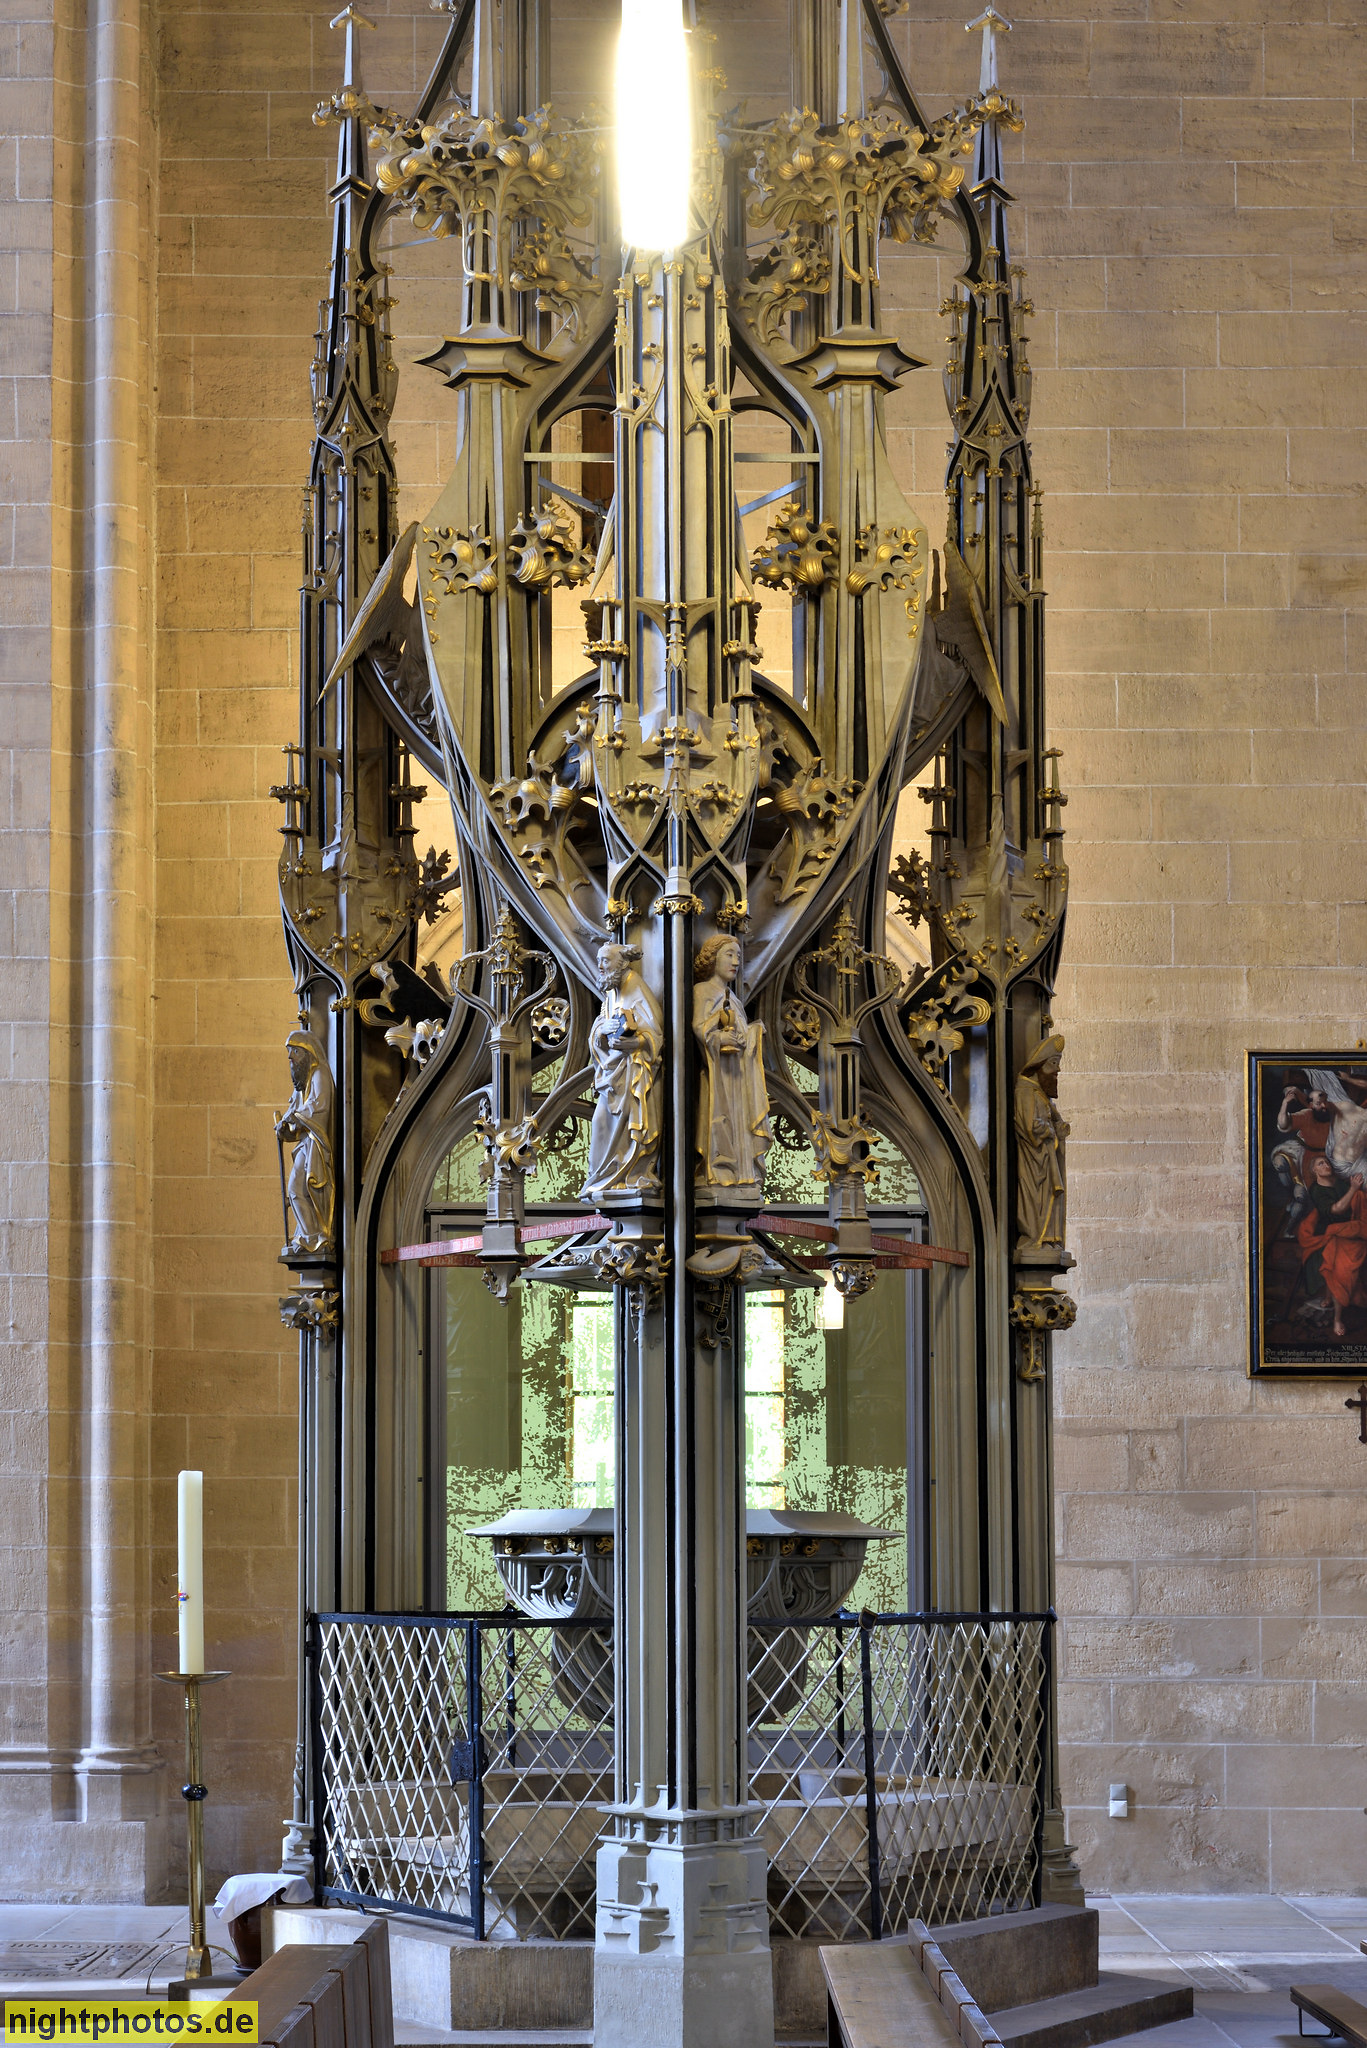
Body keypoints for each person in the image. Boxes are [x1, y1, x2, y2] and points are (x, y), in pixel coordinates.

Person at [580, 941, 663, 1204]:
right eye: (599, 960)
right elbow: (600, 1029)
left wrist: (637, 1042)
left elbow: (656, 1034)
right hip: (613, 1078)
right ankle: (605, 1178)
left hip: (633, 1075)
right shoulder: (612, 993)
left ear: (623, 963)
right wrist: (600, 1032)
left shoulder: (635, 987)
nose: (600, 966)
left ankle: (632, 1175)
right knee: (600, 1123)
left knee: (623, 1127)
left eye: (605, 960)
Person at [693, 934, 772, 1191]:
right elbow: (699, 1028)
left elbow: (738, 1031)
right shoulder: (702, 990)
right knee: (721, 1121)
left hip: (736, 1073)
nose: (735, 962)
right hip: (718, 1073)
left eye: (738, 956)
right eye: (729, 955)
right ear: (712, 959)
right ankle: (720, 1171)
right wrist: (718, 1036)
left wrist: (752, 1033)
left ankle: (741, 1172)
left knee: (738, 1121)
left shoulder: (733, 997)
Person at [1295, 1154, 1367, 1340]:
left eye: (1327, 1162)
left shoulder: (1339, 1183)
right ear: (1314, 1171)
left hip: (1349, 1230)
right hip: (1328, 1234)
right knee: (1340, 1270)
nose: (1326, 1165)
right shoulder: (1316, 1190)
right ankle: (1337, 1319)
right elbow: (1336, 1209)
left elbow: (1355, 1201)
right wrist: (1353, 1189)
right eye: (1321, 1163)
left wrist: (1356, 1193)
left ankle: (1329, 1298)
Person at [276, 1031, 335, 1257]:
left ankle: (317, 1237)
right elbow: (294, 1110)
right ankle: (310, 1236)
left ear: (308, 1052)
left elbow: (320, 1106)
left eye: (294, 1052)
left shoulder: (319, 1073)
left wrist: (294, 1118)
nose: (290, 1057)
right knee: (295, 1190)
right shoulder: (301, 1083)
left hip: (316, 1144)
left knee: (301, 1188)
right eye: (289, 1052)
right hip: (305, 1143)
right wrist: (284, 1126)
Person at [1015, 1033, 1068, 1251]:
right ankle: (1036, 1239)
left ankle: (1049, 1239)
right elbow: (1030, 1126)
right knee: (1037, 1200)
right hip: (1035, 1161)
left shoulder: (1040, 1094)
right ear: (1040, 1065)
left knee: (1049, 1198)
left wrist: (1059, 1129)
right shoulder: (1026, 1092)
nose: (1058, 1070)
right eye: (1054, 1063)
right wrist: (1050, 1130)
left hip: (1045, 1159)